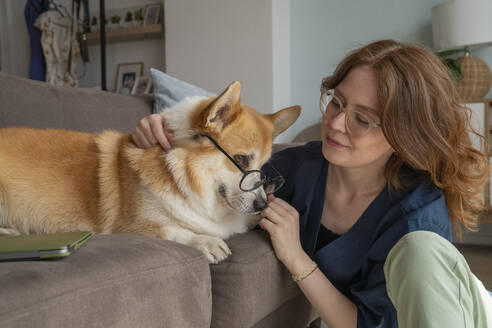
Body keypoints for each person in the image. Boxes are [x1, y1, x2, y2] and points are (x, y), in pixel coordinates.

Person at [132, 40, 492, 327]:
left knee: (419, 252)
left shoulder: (418, 218)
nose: (335, 124)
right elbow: (216, 171)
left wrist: (296, 257)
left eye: (362, 120)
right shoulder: (298, 167)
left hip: (456, 314)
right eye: (336, 102)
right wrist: (165, 137)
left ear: (404, 135)